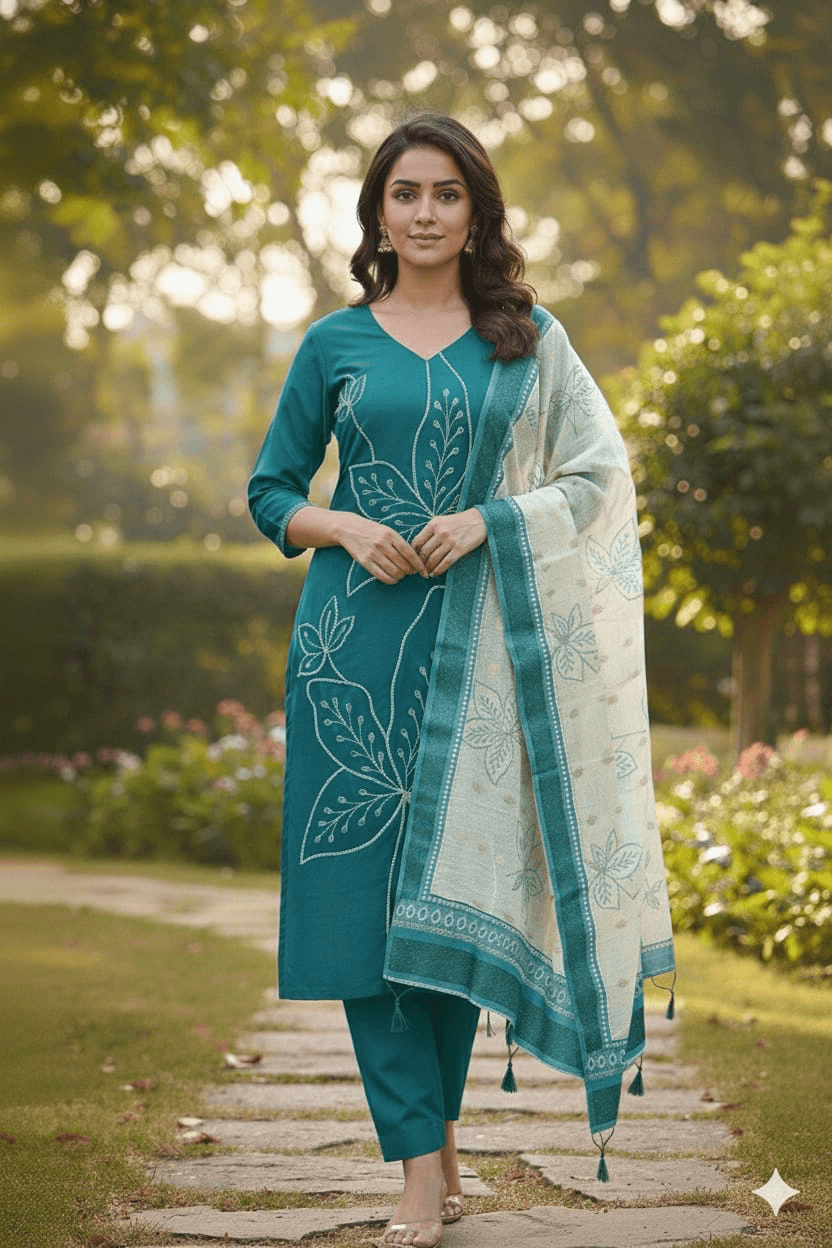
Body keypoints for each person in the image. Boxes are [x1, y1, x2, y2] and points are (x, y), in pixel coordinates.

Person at [247, 110, 675, 1248]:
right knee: (358, 923)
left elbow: (595, 477)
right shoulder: (336, 343)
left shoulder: (527, 340)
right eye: (405, 195)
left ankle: (434, 1162)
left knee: (445, 913)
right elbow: (268, 490)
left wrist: (491, 520)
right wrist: (338, 526)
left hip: (481, 658)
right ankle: (419, 1174)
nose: (425, 213)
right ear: (377, 214)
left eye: (445, 194)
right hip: (352, 659)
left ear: (476, 209)